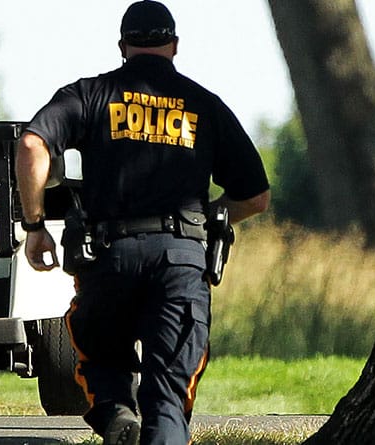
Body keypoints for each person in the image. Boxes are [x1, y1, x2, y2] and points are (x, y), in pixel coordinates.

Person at [15, 1, 270, 444]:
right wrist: (208, 218)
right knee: (168, 397)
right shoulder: (204, 105)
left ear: (122, 46)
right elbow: (256, 196)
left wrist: (35, 226)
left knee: (102, 362)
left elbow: (32, 146)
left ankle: (115, 415)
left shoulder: (90, 94)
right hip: (180, 262)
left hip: (107, 258)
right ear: (174, 45)